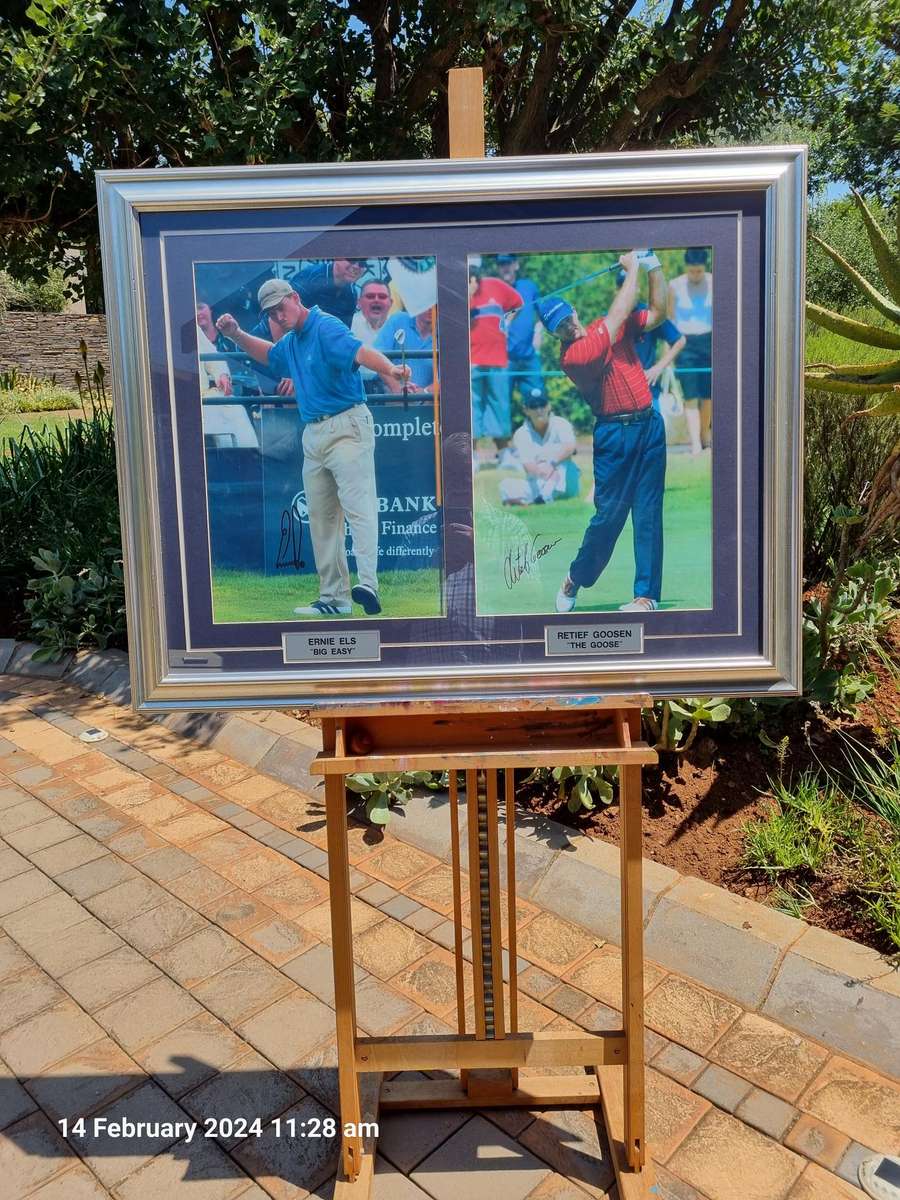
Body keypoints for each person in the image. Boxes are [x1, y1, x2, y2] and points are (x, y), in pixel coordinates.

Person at [216, 278, 411, 617]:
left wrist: (392, 369)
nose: (278, 315)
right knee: (321, 518)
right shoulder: (293, 340)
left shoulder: (325, 326)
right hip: (315, 432)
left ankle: (368, 585)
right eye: (271, 313)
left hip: (347, 424)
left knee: (358, 508)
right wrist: (236, 333)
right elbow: (271, 356)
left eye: (281, 306)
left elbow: (361, 352)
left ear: (295, 297)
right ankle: (334, 599)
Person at [539, 250, 668, 615]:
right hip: (615, 436)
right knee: (608, 518)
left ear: (575, 311)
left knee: (648, 512)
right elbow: (617, 316)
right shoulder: (574, 357)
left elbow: (659, 312)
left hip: (649, 427)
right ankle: (575, 578)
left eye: (568, 318)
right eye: (559, 326)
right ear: (554, 335)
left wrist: (653, 264)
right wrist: (633, 269)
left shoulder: (602, 326)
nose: (568, 326)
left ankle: (646, 595)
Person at [469, 255, 521, 464]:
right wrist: (467, 296)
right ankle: (471, 456)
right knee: (472, 407)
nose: (471, 274)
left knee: (499, 406)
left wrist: (506, 323)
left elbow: (518, 303)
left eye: (473, 269)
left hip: (497, 357)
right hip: (470, 358)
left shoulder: (495, 285)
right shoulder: (454, 289)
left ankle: (503, 453)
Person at [613, 269, 685, 413]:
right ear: (617, 291)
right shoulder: (609, 319)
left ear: (638, 288)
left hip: (649, 393)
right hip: (618, 396)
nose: (628, 290)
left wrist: (658, 368)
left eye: (631, 285)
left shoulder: (651, 314)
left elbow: (679, 340)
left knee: (653, 433)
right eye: (623, 286)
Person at [499, 393, 580, 506]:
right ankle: (541, 497)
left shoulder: (561, 424)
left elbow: (570, 447)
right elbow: (528, 465)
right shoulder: (521, 433)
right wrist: (542, 471)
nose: (539, 410)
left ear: (549, 406)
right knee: (505, 484)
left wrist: (551, 465)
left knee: (561, 464)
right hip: (539, 480)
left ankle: (539, 497)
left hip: (565, 481)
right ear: (526, 410)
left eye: (542, 405)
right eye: (534, 406)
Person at [668, 247, 712, 453]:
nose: (696, 275)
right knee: (690, 395)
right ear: (687, 268)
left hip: (709, 341)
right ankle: (695, 442)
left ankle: (705, 434)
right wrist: (669, 353)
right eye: (692, 271)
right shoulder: (674, 286)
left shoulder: (714, 282)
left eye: (699, 271)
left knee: (708, 395)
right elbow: (670, 320)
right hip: (685, 344)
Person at [495, 254, 546, 407]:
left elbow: (544, 315)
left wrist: (539, 331)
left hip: (530, 358)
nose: (505, 267)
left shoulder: (529, 286)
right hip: (504, 361)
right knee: (501, 407)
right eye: (501, 264)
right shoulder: (493, 291)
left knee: (538, 403)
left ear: (515, 265)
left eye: (508, 263)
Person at [295, 257, 369, 328]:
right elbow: (290, 318)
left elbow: (342, 332)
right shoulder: (309, 278)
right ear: (336, 258)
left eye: (362, 263)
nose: (356, 266)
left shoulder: (352, 294)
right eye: (351, 259)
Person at [374, 306, 435, 392]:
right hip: (391, 399)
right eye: (427, 304)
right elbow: (377, 356)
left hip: (429, 402)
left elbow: (449, 376)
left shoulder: (448, 331)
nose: (430, 309)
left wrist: (425, 392)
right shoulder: (398, 320)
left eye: (435, 304)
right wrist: (398, 388)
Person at [351, 279, 395, 390]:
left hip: (391, 390)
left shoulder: (399, 327)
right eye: (370, 296)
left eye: (382, 297)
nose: (376, 300)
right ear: (359, 302)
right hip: (357, 387)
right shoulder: (348, 326)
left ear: (391, 302)